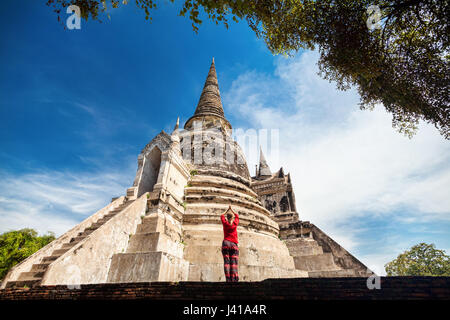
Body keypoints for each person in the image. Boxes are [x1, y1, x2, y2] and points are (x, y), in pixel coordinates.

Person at [220, 205, 239, 282]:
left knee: (227, 262)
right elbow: (237, 215)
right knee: (234, 262)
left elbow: (221, 215)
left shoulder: (225, 223)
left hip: (226, 243)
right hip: (234, 244)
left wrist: (227, 210)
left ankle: (228, 279)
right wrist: (232, 210)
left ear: (227, 218)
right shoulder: (235, 224)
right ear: (232, 218)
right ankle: (234, 279)